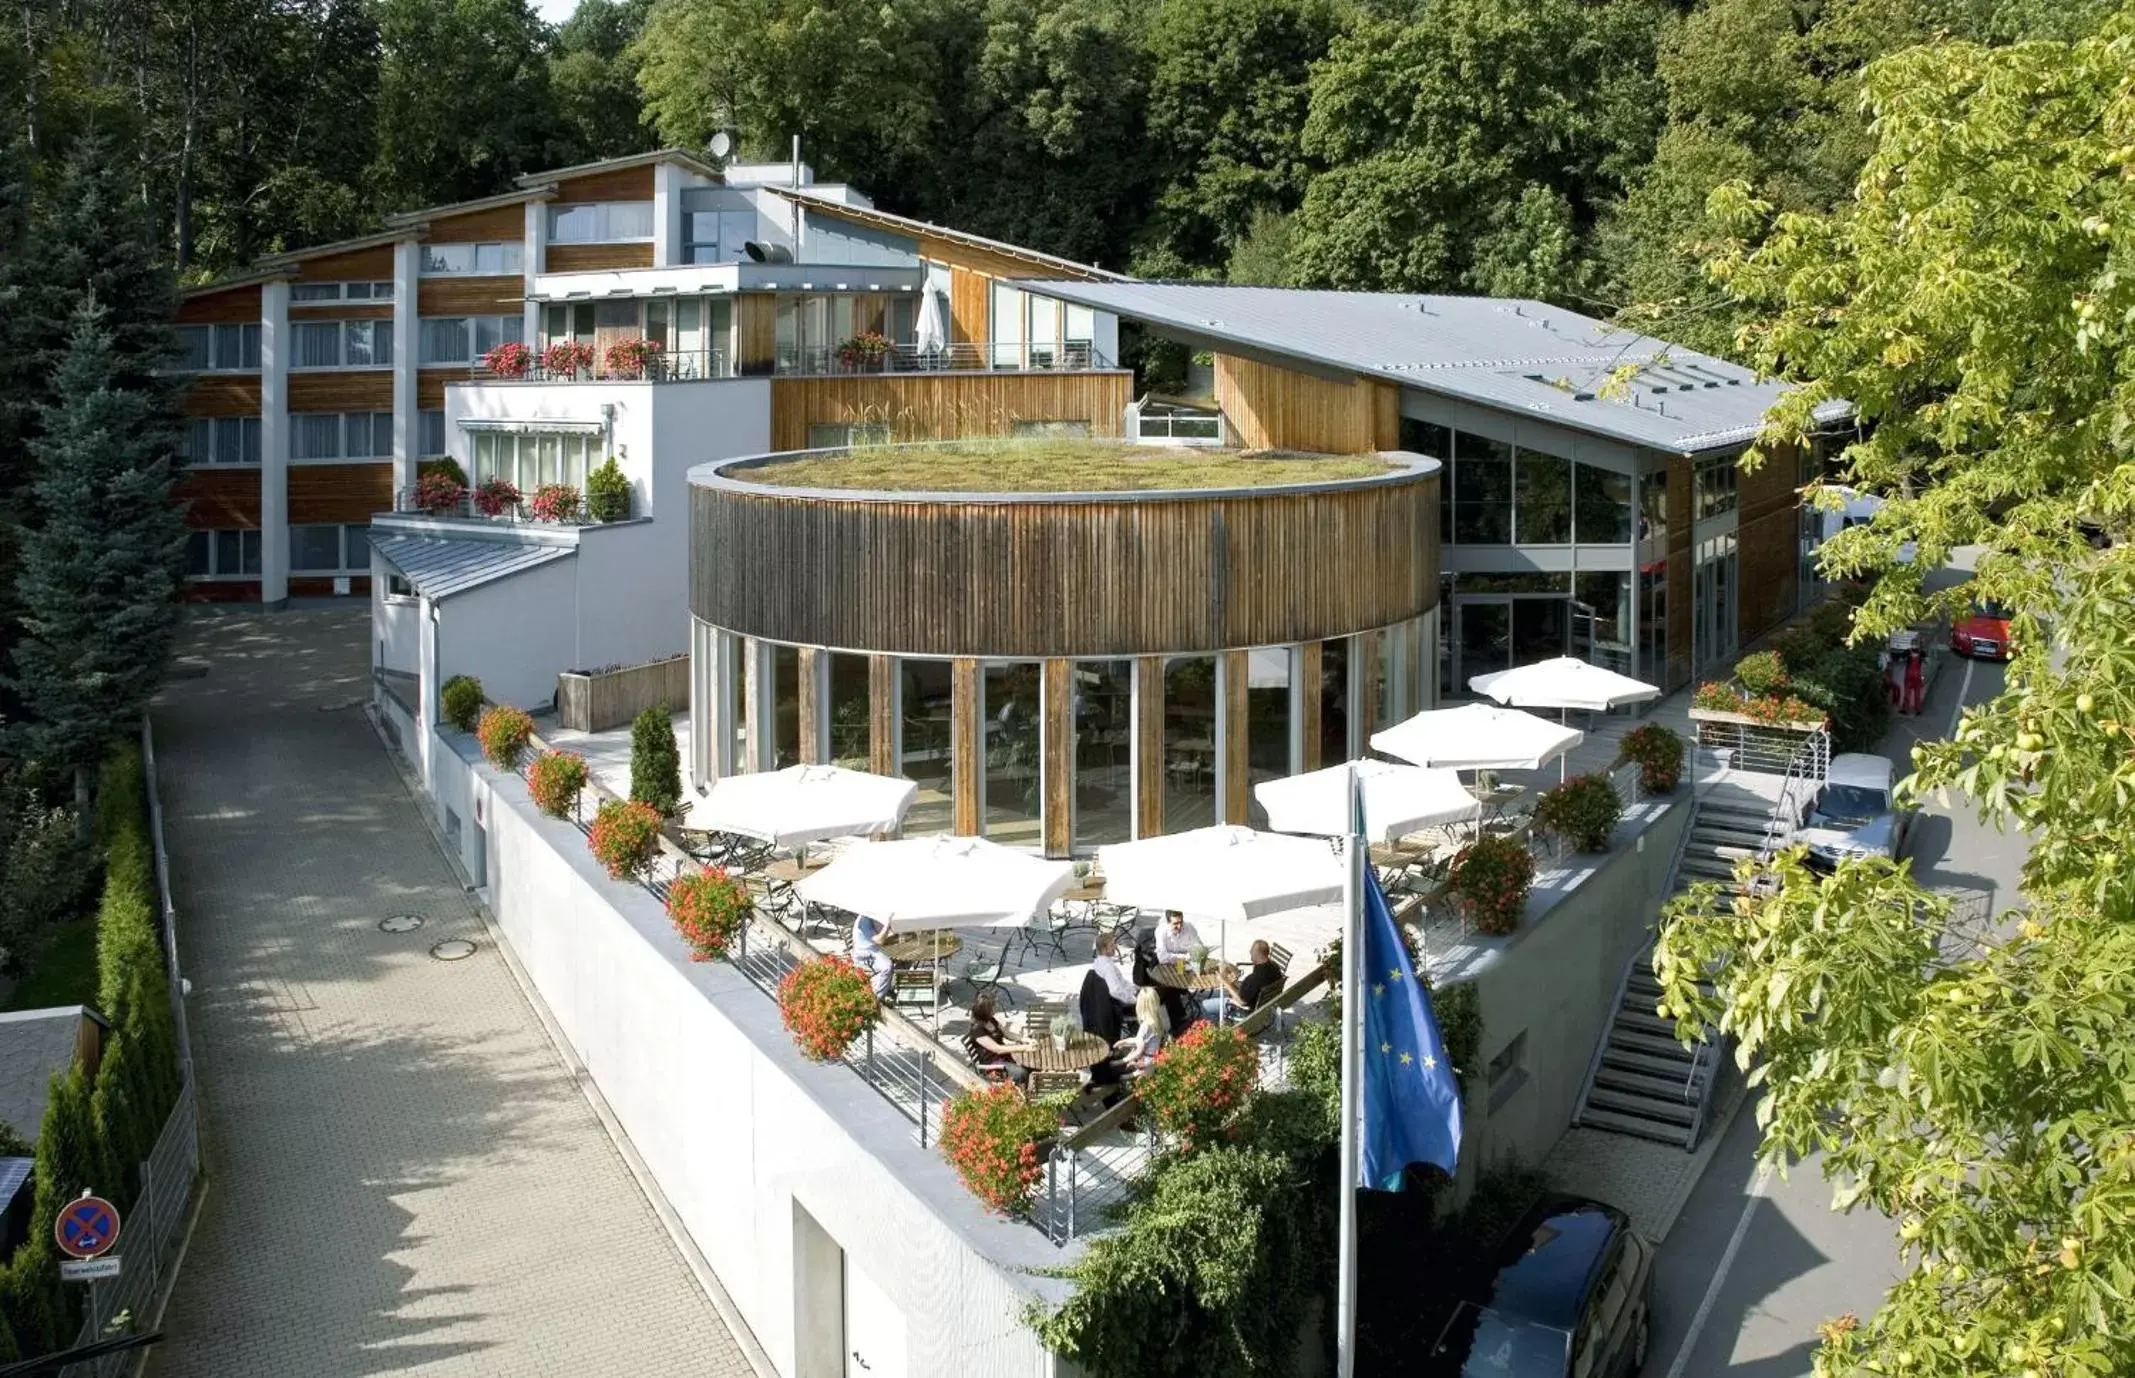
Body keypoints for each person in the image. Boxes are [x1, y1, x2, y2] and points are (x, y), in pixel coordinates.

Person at [1201, 940, 1285, 1024]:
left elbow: (1241, 1001)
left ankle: (1218, 1029)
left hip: (1245, 1011)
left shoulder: (1255, 978)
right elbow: (1248, 989)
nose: (1250, 952)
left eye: (1251, 951)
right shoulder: (1275, 967)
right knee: (1231, 989)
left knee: (1204, 1005)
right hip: (1263, 1005)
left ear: (1257, 954)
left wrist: (1224, 981)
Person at [962, 995, 1033, 1084]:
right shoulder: (977, 1030)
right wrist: (1024, 1048)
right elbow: (997, 1049)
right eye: (992, 1008)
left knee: (1031, 1067)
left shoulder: (991, 1020)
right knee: (1021, 1073)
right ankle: (1020, 1093)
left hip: (1004, 1058)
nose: (994, 1011)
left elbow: (1007, 1034)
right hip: (993, 1065)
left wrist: (1024, 1039)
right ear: (984, 1011)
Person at [1113, 987, 1169, 1074]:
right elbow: (1140, 1040)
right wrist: (1124, 1042)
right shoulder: (1158, 1018)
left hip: (1144, 1062)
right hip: (1154, 1058)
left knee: (1123, 1075)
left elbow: (1139, 1050)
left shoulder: (1145, 1026)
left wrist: (1121, 1061)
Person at [1089, 931, 1137, 1021]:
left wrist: (1134, 988)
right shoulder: (1108, 967)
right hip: (1120, 1005)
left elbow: (1120, 982)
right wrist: (1134, 1000)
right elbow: (1115, 991)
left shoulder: (1098, 962)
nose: (1115, 946)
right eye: (1112, 945)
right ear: (1104, 949)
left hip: (1115, 1000)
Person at [850, 913, 894, 999]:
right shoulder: (864, 921)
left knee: (894, 956)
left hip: (870, 949)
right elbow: (879, 940)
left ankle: (887, 986)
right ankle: (876, 997)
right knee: (887, 966)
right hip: (865, 955)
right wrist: (888, 925)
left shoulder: (868, 916)